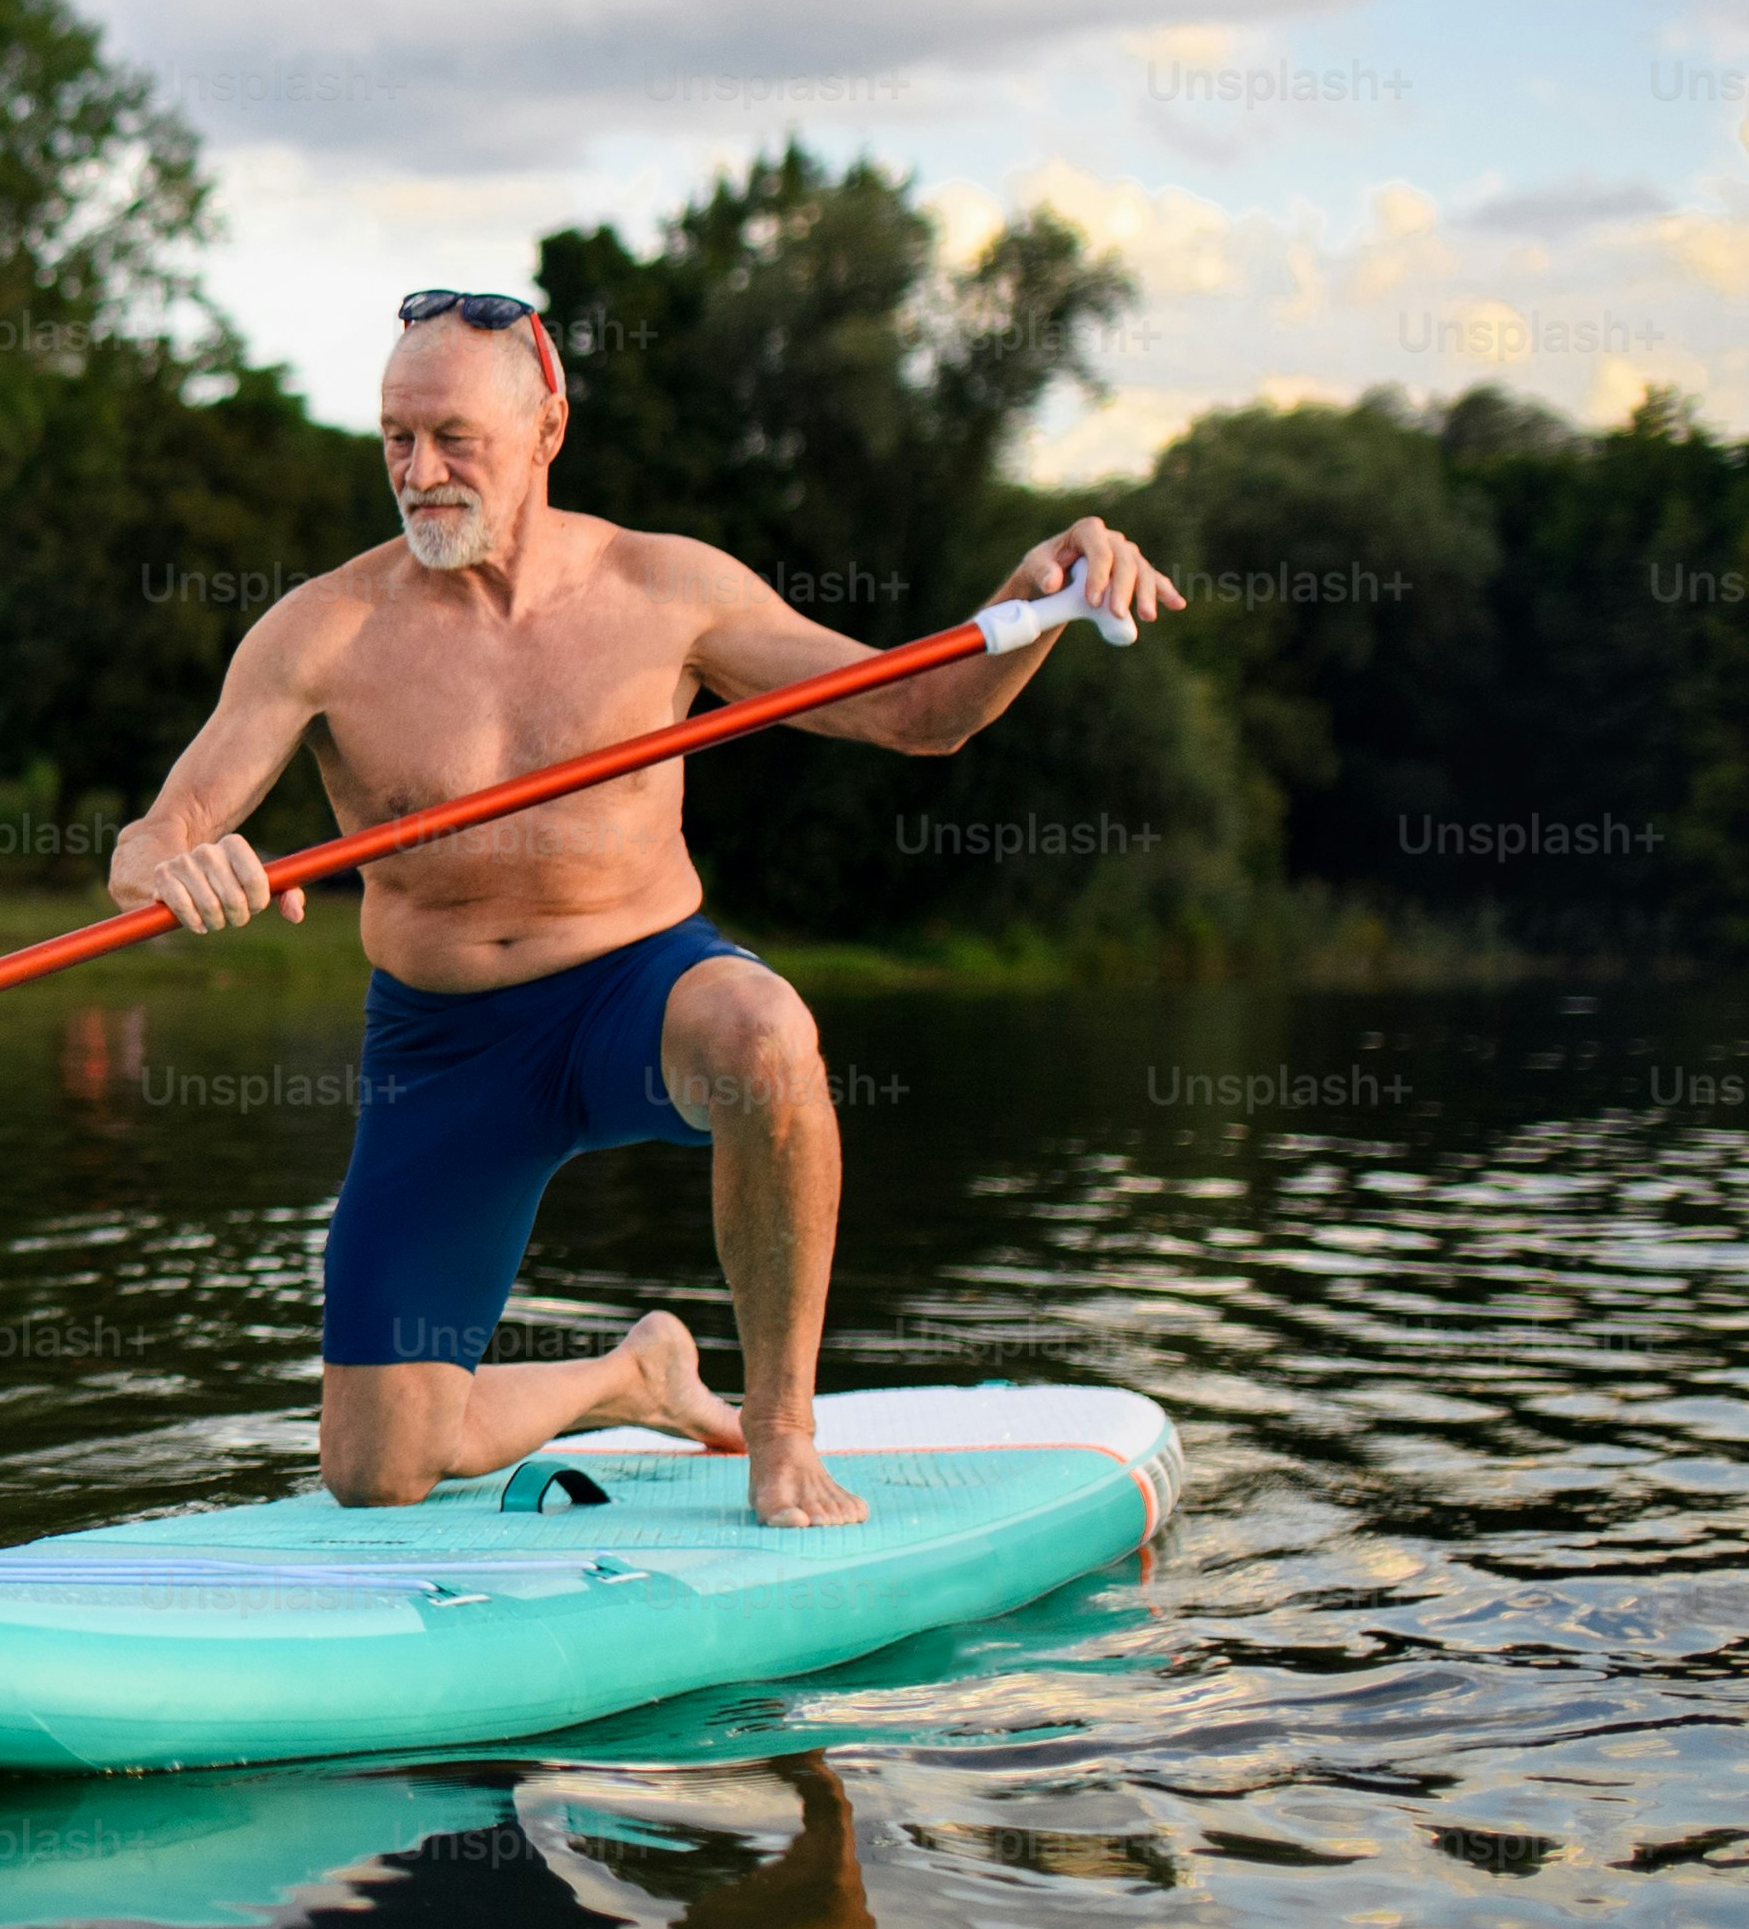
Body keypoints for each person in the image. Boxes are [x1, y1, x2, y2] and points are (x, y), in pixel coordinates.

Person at [103, 288, 1177, 1525]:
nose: (419, 470)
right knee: (376, 1471)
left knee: (767, 1035)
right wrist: (174, 866)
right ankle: (637, 1374)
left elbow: (915, 712)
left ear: (548, 424)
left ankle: (779, 1433)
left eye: (455, 437)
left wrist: (1036, 600)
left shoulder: (667, 589)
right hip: (443, 1044)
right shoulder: (327, 628)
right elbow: (157, 838)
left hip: (636, 990)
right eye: (396, 438)